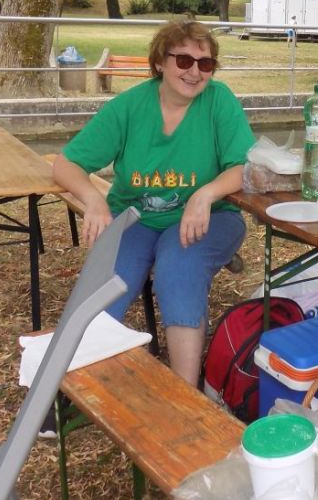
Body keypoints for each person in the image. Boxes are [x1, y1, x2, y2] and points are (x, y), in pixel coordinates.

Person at [53, 20, 254, 387]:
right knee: (104, 285)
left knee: (179, 267)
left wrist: (205, 193)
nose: (194, 72)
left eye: (205, 63)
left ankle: (185, 392)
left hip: (210, 216)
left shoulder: (219, 101)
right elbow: (67, 164)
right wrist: (94, 200)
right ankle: (74, 389)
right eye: (184, 60)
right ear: (160, 61)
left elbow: (244, 167)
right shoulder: (129, 106)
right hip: (138, 217)